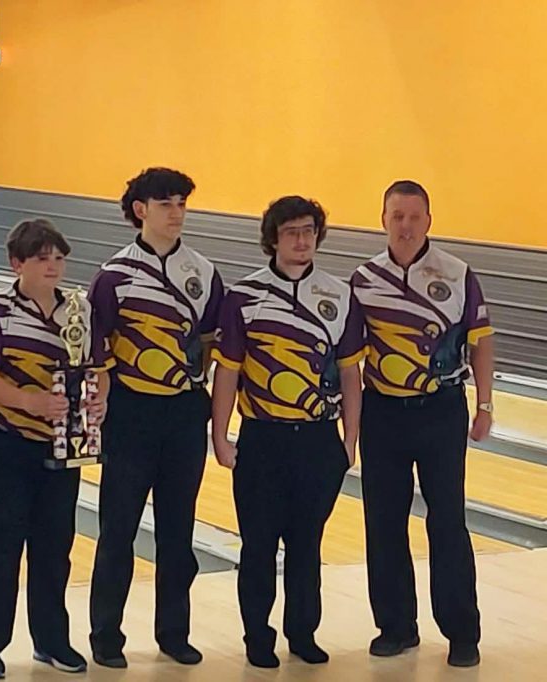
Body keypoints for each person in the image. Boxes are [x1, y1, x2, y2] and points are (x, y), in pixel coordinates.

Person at [211, 196, 365, 668]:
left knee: (306, 545)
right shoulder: (243, 297)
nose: (302, 240)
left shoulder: (340, 296)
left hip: (318, 441)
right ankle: (257, 636)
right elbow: (228, 373)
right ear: (273, 238)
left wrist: (349, 441)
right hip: (262, 439)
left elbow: (350, 375)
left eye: (309, 230)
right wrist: (220, 436)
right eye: (292, 231)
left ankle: (303, 633)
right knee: (257, 545)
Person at [351, 180, 493, 668]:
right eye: (397, 216)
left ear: (428, 220)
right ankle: (395, 627)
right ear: (383, 219)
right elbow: (349, 357)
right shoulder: (363, 278)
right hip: (383, 413)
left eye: (414, 217)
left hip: (440, 411)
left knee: (447, 521)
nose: (406, 225)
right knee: (383, 521)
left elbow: (481, 341)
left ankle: (462, 632)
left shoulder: (457, 273)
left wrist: (486, 404)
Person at [87, 167, 224, 668]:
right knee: (118, 529)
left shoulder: (204, 273)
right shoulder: (112, 276)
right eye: (166, 203)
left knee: (177, 531)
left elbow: (211, 345)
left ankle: (174, 632)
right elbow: (95, 353)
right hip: (130, 414)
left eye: (182, 203)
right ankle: (105, 635)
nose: (177, 212)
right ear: (140, 210)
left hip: (184, 413)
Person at [0, 219, 112, 678]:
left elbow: (98, 366)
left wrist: (99, 396)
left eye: (58, 258)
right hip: (7, 443)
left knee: (55, 548)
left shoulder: (80, 311)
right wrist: (30, 400)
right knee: (0, 546)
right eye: (41, 258)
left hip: (63, 444)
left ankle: (51, 640)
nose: (52, 266)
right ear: (17, 264)